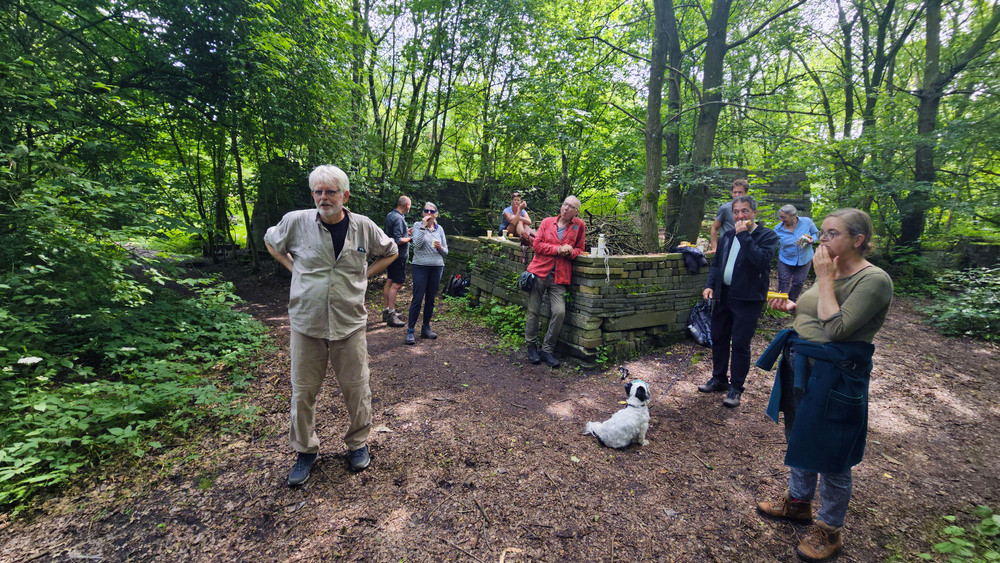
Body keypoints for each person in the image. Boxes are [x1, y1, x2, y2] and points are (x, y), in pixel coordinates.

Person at [755, 208, 893, 562]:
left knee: (832, 454)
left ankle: (829, 529)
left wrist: (825, 278)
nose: (821, 239)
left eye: (831, 234)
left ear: (857, 240)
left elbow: (836, 329)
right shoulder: (828, 267)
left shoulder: (873, 280)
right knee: (799, 435)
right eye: (824, 233)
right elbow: (814, 310)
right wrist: (793, 308)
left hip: (838, 375)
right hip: (800, 365)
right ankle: (798, 503)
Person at [264, 165, 399, 486]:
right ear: (313, 194)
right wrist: (291, 266)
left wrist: (363, 276)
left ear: (345, 195)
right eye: (318, 192)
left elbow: (391, 250)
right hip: (306, 323)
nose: (324, 198)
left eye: (331, 192)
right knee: (303, 392)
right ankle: (305, 451)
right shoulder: (296, 222)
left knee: (356, 388)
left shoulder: (364, 228)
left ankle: (357, 443)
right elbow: (271, 240)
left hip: (349, 322)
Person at [699, 195, 778, 407]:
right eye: (736, 212)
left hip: (749, 299)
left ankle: (736, 388)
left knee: (741, 344)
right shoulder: (726, 236)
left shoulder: (767, 236)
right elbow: (717, 264)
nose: (740, 215)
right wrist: (709, 285)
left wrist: (744, 236)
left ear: (754, 213)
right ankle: (719, 379)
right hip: (723, 296)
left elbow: (761, 261)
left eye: (744, 211)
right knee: (719, 338)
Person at [523, 196, 586, 368]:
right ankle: (531, 346)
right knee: (533, 311)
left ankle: (547, 349)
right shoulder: (546, 222)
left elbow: (581, 248)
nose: (566, 208)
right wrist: (558, 249)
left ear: (576, 211)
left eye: (571, 206)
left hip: (560, 276)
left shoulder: (579, 226)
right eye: (565, 204)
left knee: (559, 312)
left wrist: (571, 252)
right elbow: (537, 245)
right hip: (539, 272)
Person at [405, 202, 448, 345]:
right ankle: (410, 331)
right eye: (426, 211)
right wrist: (423, 227)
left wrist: (440, 247)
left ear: (436, 214)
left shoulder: (439, 229)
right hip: (420, 266)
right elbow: (416, 245)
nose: (429, 213)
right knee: (417, 298)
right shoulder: (418, 225)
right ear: (423, 213)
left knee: (431, 299)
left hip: (436, 267)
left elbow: (446, 252)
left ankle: (426, 328)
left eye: (432, 211)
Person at [774, 204, 819, 301]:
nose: (781, 219)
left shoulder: (807, 222)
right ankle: (781, 302)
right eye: (780, 217)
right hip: (785, 259)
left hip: (805, 258)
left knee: (799, 282)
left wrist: (812, 240)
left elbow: (815, 234)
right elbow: (772, 242)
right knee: (784, 281)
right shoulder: (778, 229)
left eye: (784, 217)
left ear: (793, 216)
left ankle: (792, 301)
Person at [382, 195, 412, 327]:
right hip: (398, 256)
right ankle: (392, 315)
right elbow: (398, 240)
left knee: (389, 281)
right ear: (406, 205)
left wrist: (407, 233)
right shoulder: (399, 219)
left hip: (390, 254)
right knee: (397, 284)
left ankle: (386, 311)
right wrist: (411, 237)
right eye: (410, 205)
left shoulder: (390, 215)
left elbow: (394, 235)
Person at [710, 179, 749, 252]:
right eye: (735, 192)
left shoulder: (750, 209)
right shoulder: (725, 208)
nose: (737, 195)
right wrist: (715, 248)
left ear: (746, 193)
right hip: (726, 247)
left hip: (743, 247)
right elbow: (714, 228)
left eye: (740, 192)